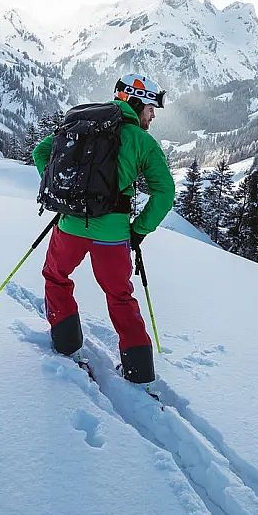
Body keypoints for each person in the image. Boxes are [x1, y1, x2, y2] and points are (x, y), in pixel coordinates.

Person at [32, 74, 175, 383]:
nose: (152, 117)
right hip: (112, 234)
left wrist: (62, 192)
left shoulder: (80, 124)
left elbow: (41, 153)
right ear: (137, 103)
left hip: (69, 226)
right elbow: (164, 193)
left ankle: (67, 345)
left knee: (56, 277)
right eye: (151, 109)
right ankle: (139, 372)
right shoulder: (142, 141)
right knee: (120, 296)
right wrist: (138, 231)